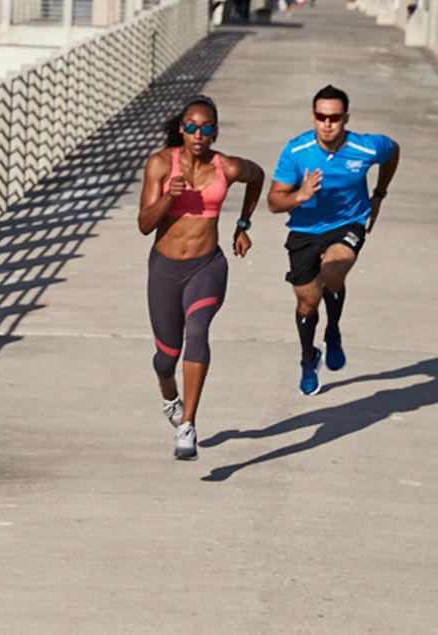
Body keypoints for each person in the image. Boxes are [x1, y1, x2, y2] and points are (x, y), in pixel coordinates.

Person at [138, 96, 265, 460]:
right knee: (166, 358)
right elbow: (145, 225)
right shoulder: (161, 164)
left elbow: (257, 177)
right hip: (164, 270)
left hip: (207, 266)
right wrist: (168, 199)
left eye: (206, 128)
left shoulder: (226, 166)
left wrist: (243, 224)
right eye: (191, 127)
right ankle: (170, 398)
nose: (198, 134)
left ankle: (188, 426)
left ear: (214, 132)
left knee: (197, 332)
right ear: (182, 128)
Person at [266, 84, 400, 396]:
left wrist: (379, 193)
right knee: (307, 302)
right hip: (305, 230)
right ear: (313, 117)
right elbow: (273, 202)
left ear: (346, 118)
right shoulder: (296, 151)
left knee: (334, 267)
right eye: (321, 116)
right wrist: (299, 195)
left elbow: (393, 151)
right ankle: (308, 357)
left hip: (348, 223)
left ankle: (333, 331)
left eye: (335, 117)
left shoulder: (366, 147)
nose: (327, 124)